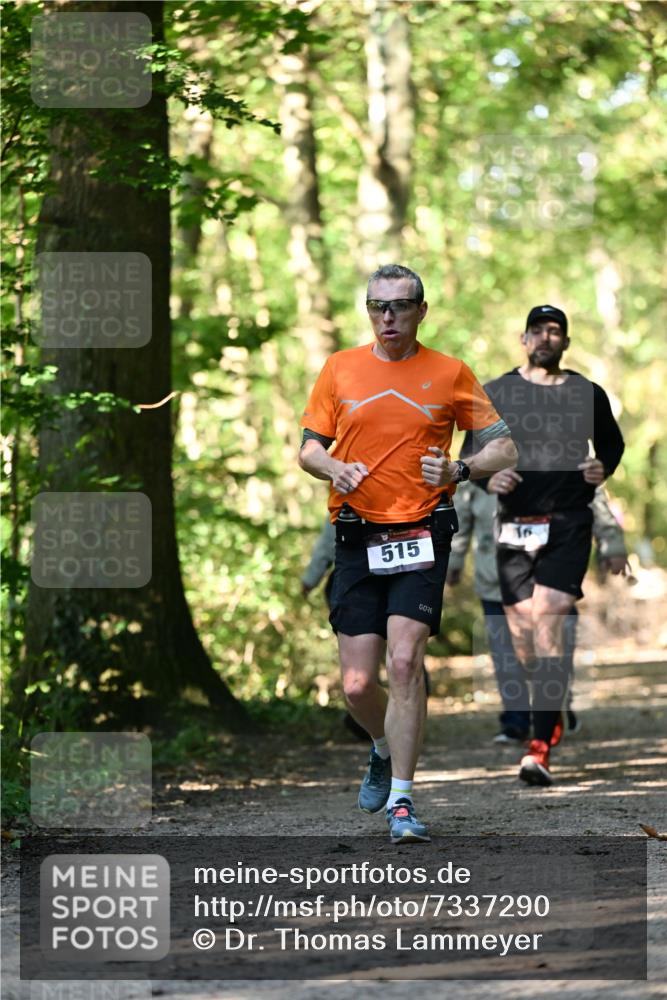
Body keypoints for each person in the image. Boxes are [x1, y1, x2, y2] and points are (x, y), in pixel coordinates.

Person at [298, 263, 517, 843]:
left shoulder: (449, 373)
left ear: (422, 310)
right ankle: (378, 745)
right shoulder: (340, 369)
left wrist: (460, 467)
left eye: (398, 305)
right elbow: (308, 449)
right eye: (376, 306)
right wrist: (334, 466)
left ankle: (402, 801)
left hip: (423, 530)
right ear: (367, 311)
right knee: (354, 685)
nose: (387, 316)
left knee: (403, 664)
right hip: (355, 532)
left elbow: (505, 447)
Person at [474, 304, 624, 787]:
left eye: (555, 331)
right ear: (524, 338)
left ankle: (539, 749)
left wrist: (602, 468)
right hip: (515, 525)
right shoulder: (497, 392)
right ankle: (548, 709)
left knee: (550, 619)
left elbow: (612, 446)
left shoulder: (586, 392)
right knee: (524, 638)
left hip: (567, 522)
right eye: (537, 330)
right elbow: (469, 458)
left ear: (565, 341)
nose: (546, 338)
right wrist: (488, 481)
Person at [447, 479, 628, 743]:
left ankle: (555, 707)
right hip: (496, 576)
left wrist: (612, 544)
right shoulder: (483, 450)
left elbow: (594, 497)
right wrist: (454, 559)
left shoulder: (562, 445)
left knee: (555, 644)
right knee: (506, 653)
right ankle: (516, 720)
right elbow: (461, 512)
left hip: (554, 567)